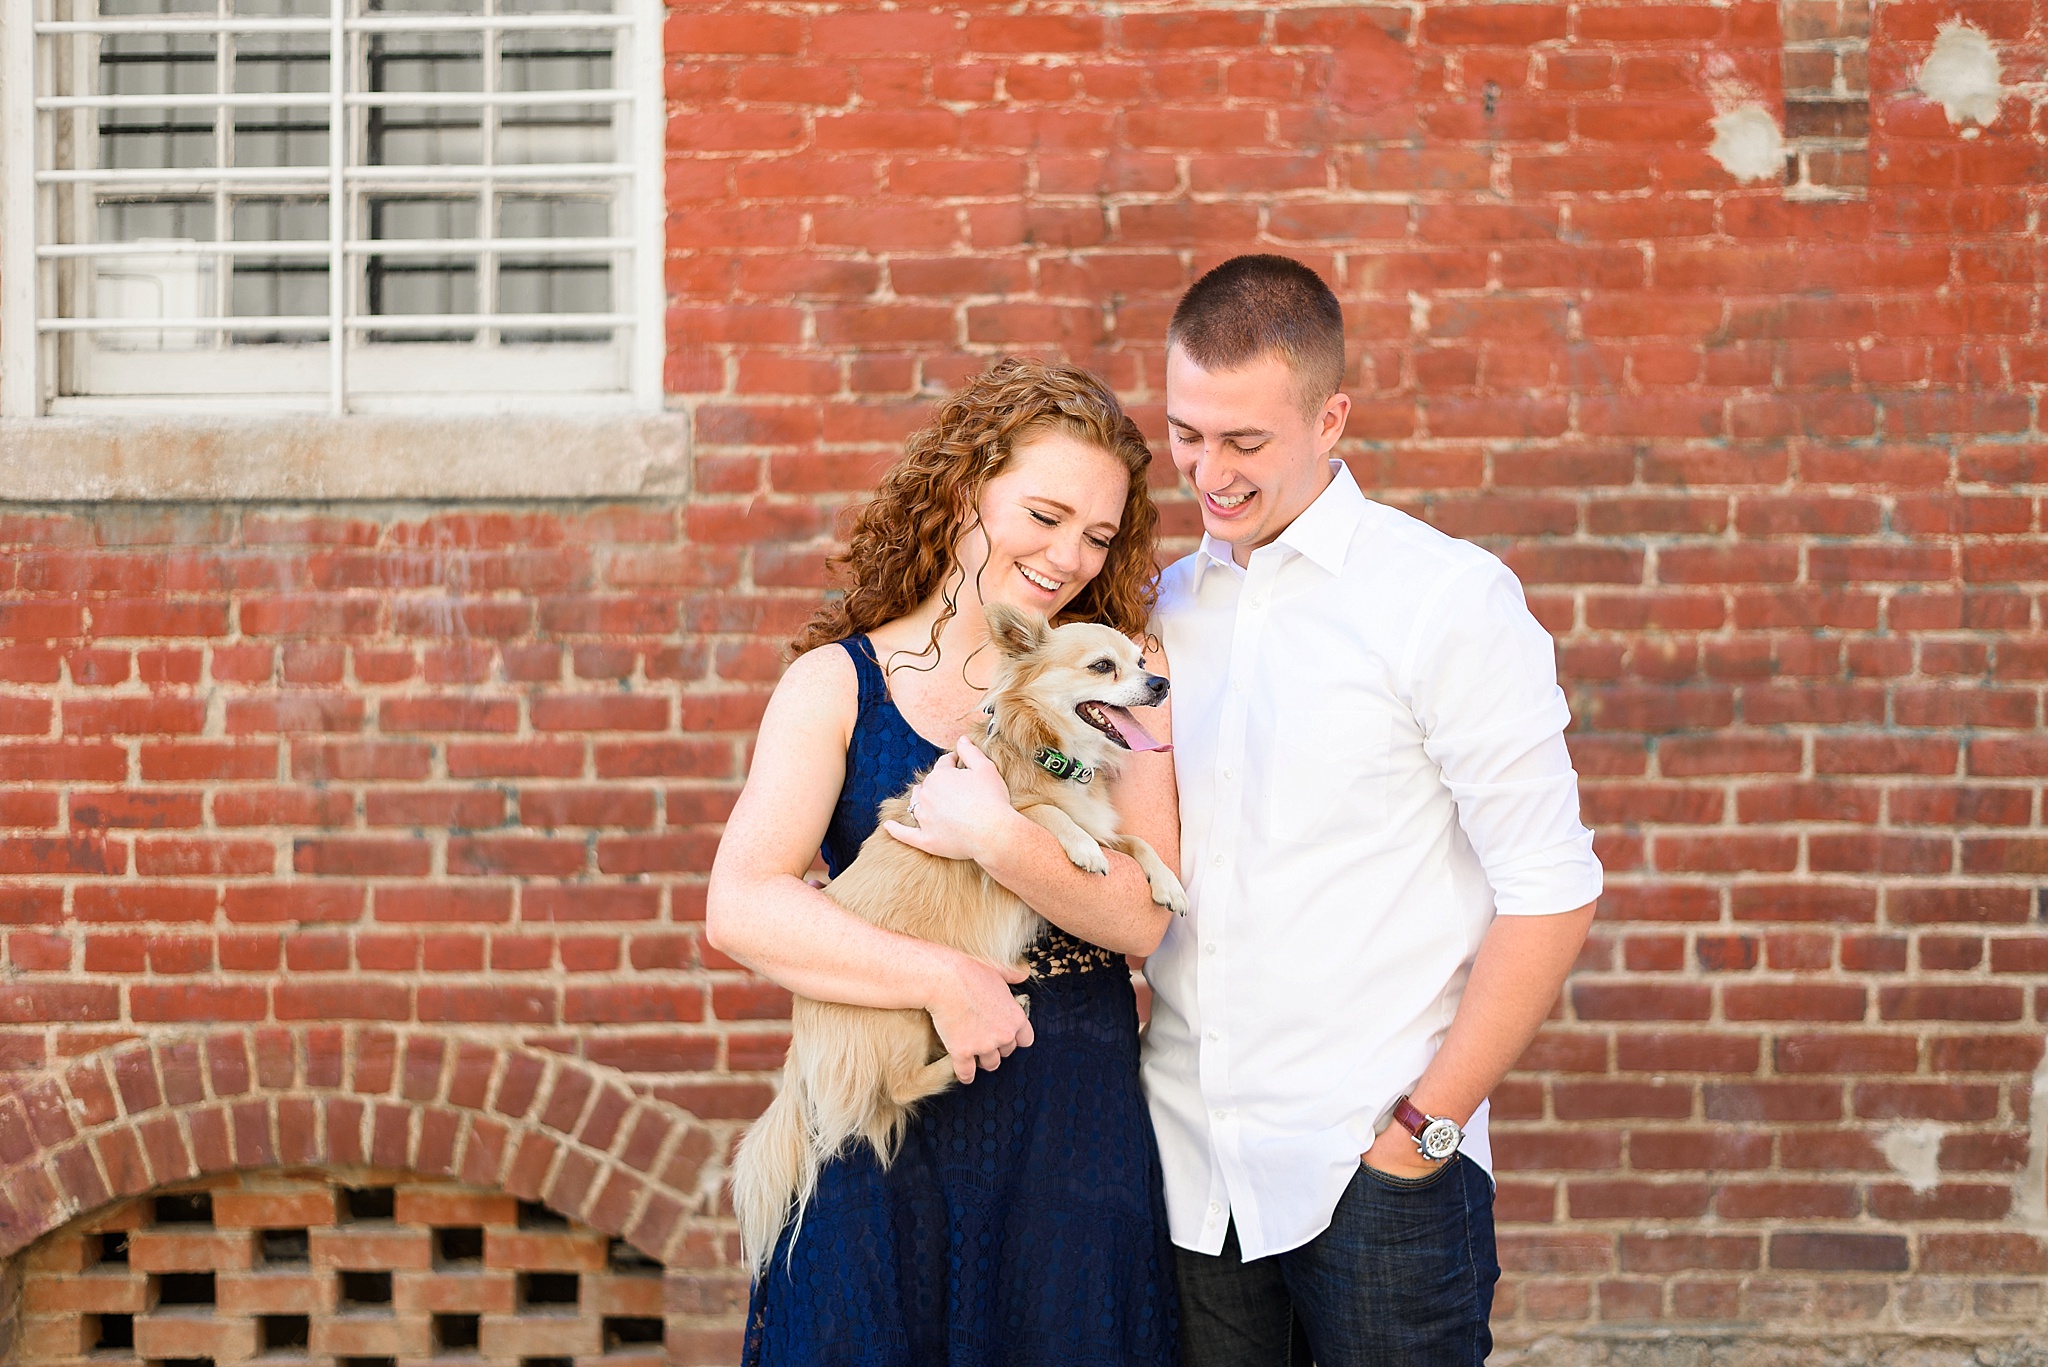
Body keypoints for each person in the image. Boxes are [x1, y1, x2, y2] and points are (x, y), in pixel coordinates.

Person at [1143, 255, 1603, 1365]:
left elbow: (1551, 890)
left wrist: (1421, 1131)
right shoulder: (1154, 613)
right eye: (1185, 432)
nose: (1208, 471)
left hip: (1376, 1168)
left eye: (1243, 441)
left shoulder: (1443, 599)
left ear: (1329, 416)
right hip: (1188, 1175)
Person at [707, 357, 1182, 1366]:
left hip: (1067, 1123)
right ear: (966, 491)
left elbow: (1144, 916)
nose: (1066, 556)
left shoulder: (1114, 674)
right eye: (1044, 514)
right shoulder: (837, 683)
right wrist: (942, 976)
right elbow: (739, 904)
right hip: (881, 1121)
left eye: (1097, 534)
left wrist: (998, 836)